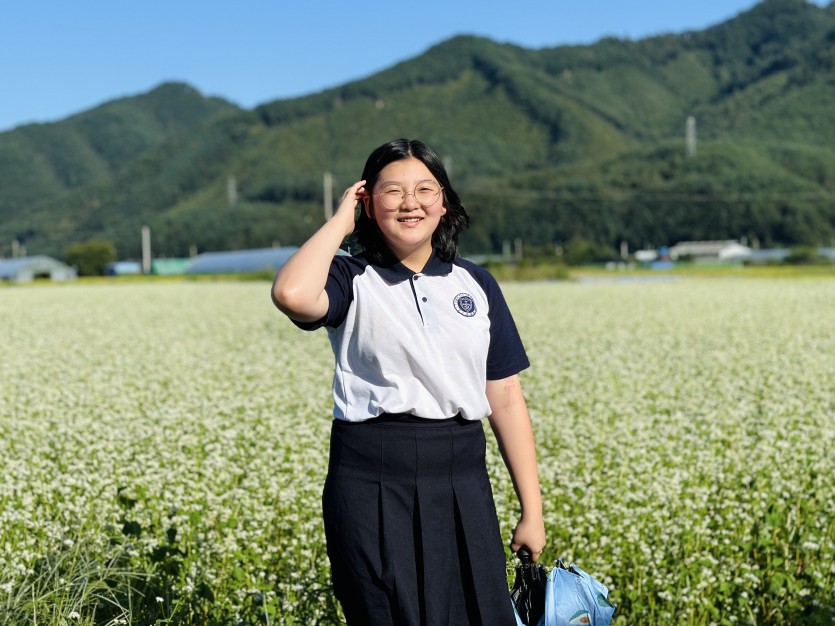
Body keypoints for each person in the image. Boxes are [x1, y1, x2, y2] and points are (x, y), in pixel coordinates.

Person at [272, 138, 545, 625]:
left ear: (444, 201)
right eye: (391, 191)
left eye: (424, 189)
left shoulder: (476, 284)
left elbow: (504, 396)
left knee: (479, 613)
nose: (410, 202)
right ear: (368, 203)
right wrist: (341, 221)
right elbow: (291, 293)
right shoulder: (349, 279)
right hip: (371, 476)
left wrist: (532, 509)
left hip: (462, 475)